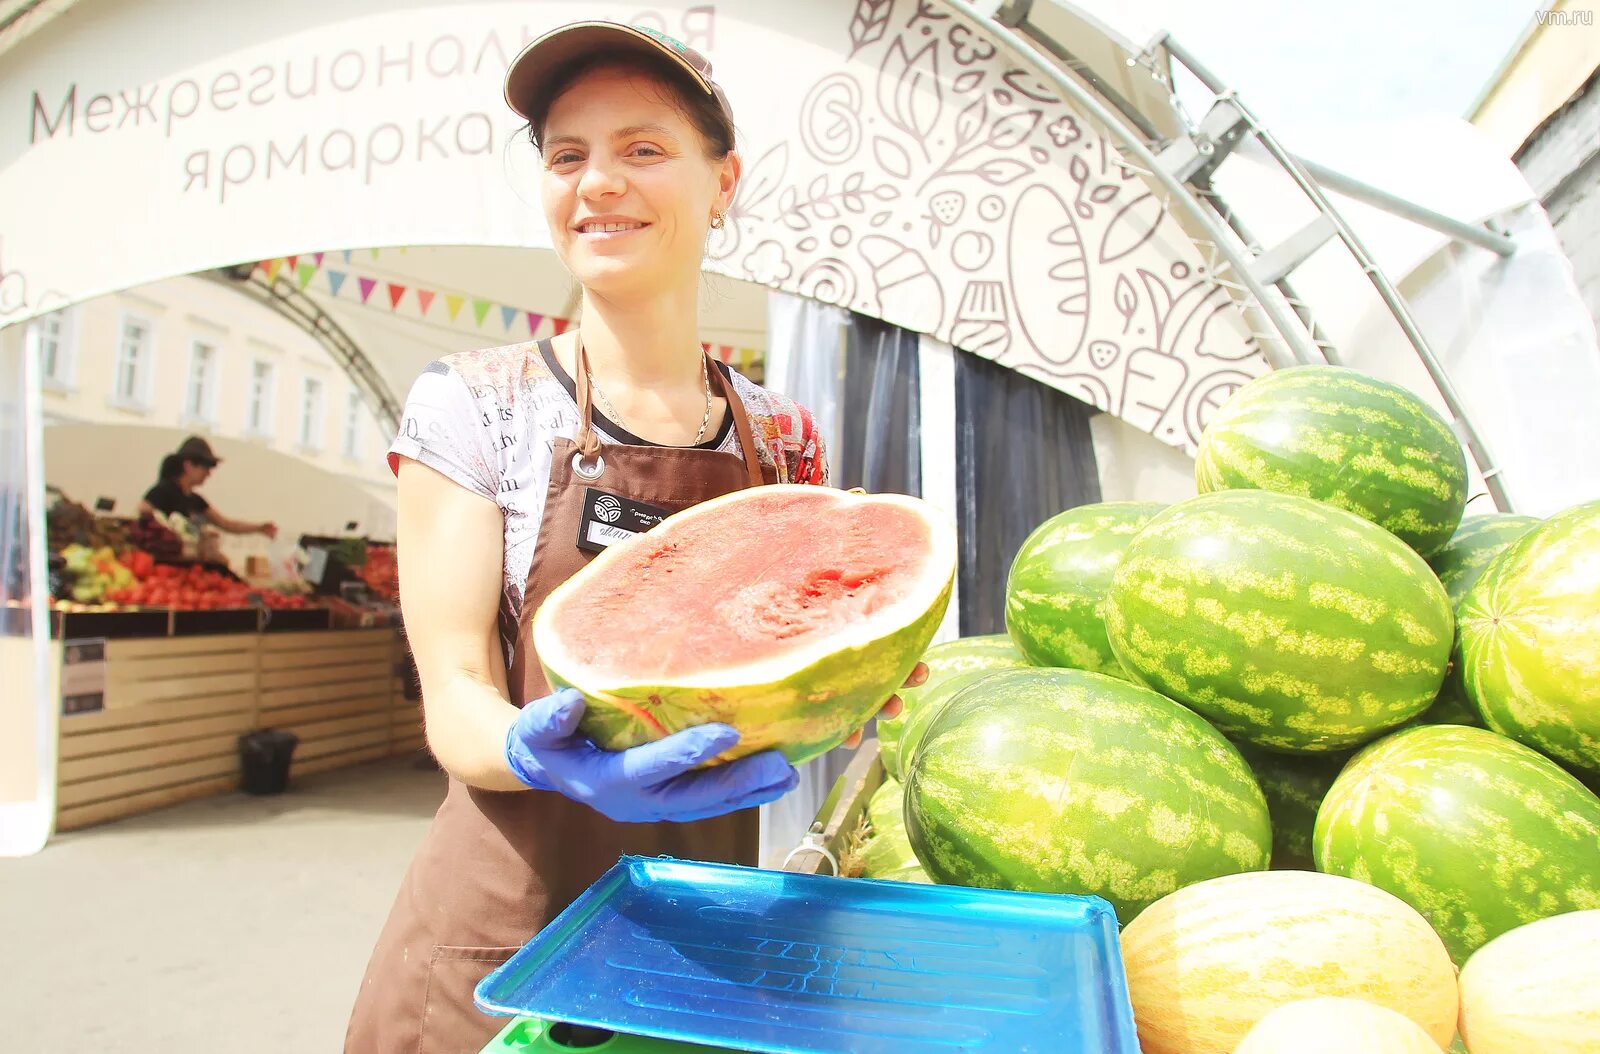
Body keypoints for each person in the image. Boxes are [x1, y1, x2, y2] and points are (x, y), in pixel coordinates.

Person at [344, 21, 925, 1053]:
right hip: (501, 937)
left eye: (643, 150)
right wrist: (535, 748)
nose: (598, 181)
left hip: (696, 935)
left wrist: (840, 689)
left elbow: (765, 678)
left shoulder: (781, 435)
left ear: (723, 182)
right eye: (568, 155)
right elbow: (454, 700)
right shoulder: (475, 405)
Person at [138, 435, 277, 538]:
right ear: (188, 465)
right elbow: (143, 510)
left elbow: (226, 524)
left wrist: (259, 528)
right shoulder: (162, 491)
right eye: (206, 468)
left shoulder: (196, 501)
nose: (209, 474)